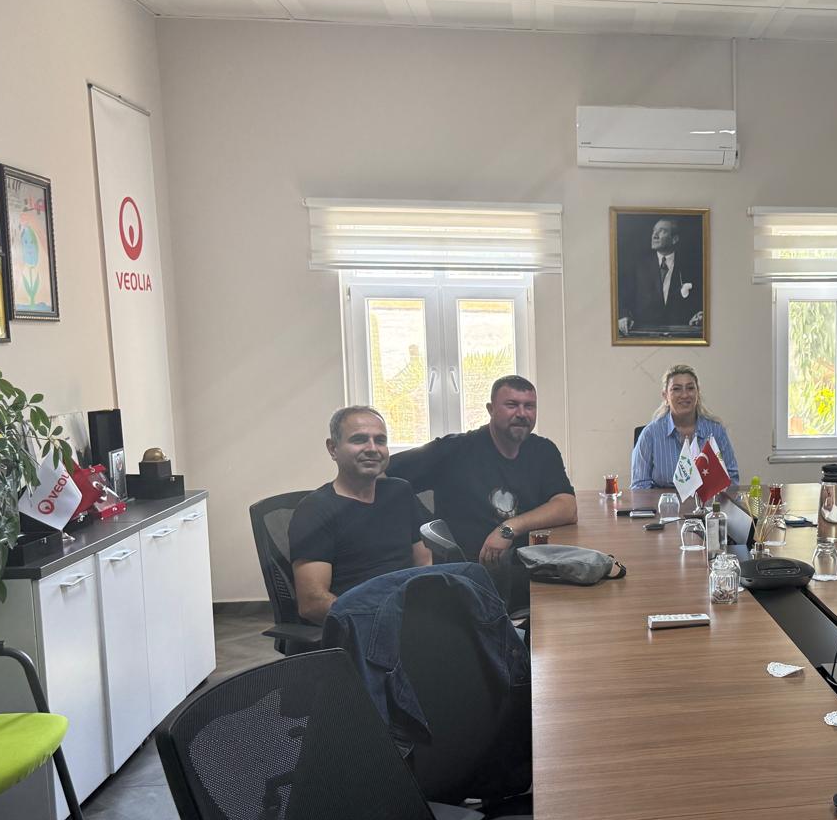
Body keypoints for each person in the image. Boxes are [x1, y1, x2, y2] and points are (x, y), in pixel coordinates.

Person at [387, 374, 577, 565]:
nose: (522, 413)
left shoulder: (543, 450)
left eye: (529, 406)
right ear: (490, 409)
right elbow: (383, 473)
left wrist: (508, 529)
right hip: (468, 568)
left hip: (528, 562)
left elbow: (567, 507)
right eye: (511, 405)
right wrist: (424, 526)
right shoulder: (453, 450)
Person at [289, 406, 430, 625]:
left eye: (380, 440)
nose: (372, 448)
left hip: (410, 613)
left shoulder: (400, 492)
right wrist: (381, 616)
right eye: (359, 439)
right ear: (333, 448)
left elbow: (425, 562)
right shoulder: (315, 509)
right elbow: (312, 603)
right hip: (360, 623)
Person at [630, 363, 739, 490]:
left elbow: (731, 479)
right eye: (676, 389)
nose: (684, 395)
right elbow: (639, 487)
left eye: (690, 388)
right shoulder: (650, 434)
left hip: (708, 501)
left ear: (698, 393)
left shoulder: (716, 431)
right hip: (665, 502)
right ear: (665, 396)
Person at [616, 217, 704, 337]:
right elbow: (624, 299)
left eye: (662, 231)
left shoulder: (690, 267)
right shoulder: (638, 266)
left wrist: (700, 315)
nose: (655, 235)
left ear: (674, 239)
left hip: (681, 335)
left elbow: (699, 303)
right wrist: (624, 316)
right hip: (644, 336)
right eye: (654, 231)